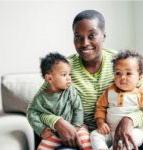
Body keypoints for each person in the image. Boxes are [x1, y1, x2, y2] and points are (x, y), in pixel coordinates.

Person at [30, 10, 143, 150]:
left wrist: (129, 120)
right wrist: (57, 122)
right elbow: (37, 108)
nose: (84, 43)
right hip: (78, 138)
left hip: (124, 134)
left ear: (104, 36)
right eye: (78, 36)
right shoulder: (63, 69)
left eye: (92, 35)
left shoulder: (124, 63)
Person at [27, 52, 92, 150]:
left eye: (69, 74)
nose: (69, 78)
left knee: (86, 141)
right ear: (49, 78)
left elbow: (78, 108)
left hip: (76, 127)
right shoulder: (40, 98)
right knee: (42, 147)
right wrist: (41, 129)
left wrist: (76, 126)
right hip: (54, 132)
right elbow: (31, 113)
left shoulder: (70, 91)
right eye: (64, 75)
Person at [90, 50, 143, 150]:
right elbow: (100, 107)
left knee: (136, 137)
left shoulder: (140, 93)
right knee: (94, 135)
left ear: (139, 77)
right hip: (109, 130)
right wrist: (100, 123)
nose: (123, 77)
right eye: (118, 73)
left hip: (131, 131)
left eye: (128, 73)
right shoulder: (109, 90)